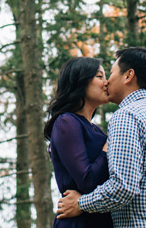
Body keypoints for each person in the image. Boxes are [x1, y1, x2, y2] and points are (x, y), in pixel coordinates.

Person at [56, 47, 146, 227]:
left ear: (128, 76)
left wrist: (81, 203)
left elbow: (123, 187)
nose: (107, 82)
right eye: (101, 76)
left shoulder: (127, 116)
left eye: (110, 74)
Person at [44, 57, 114, 228]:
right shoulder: (66, 122)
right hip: (78, 222)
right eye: (100, 76)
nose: (107, 83)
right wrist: (109, 145)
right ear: (80, 81)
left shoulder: (96, 130)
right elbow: (88, 181)